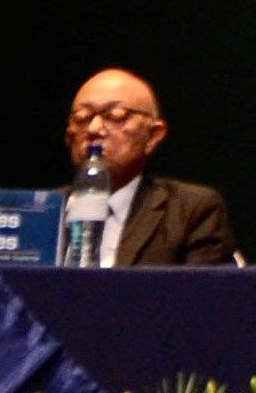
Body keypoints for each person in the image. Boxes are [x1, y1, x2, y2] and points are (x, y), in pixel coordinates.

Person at [60, 69, 240, 266]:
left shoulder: (190, 211)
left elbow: (201, 295)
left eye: (116, 115)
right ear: (69, 135)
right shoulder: (43, 209)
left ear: (153, 135)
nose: (94, 129)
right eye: (82, 117)